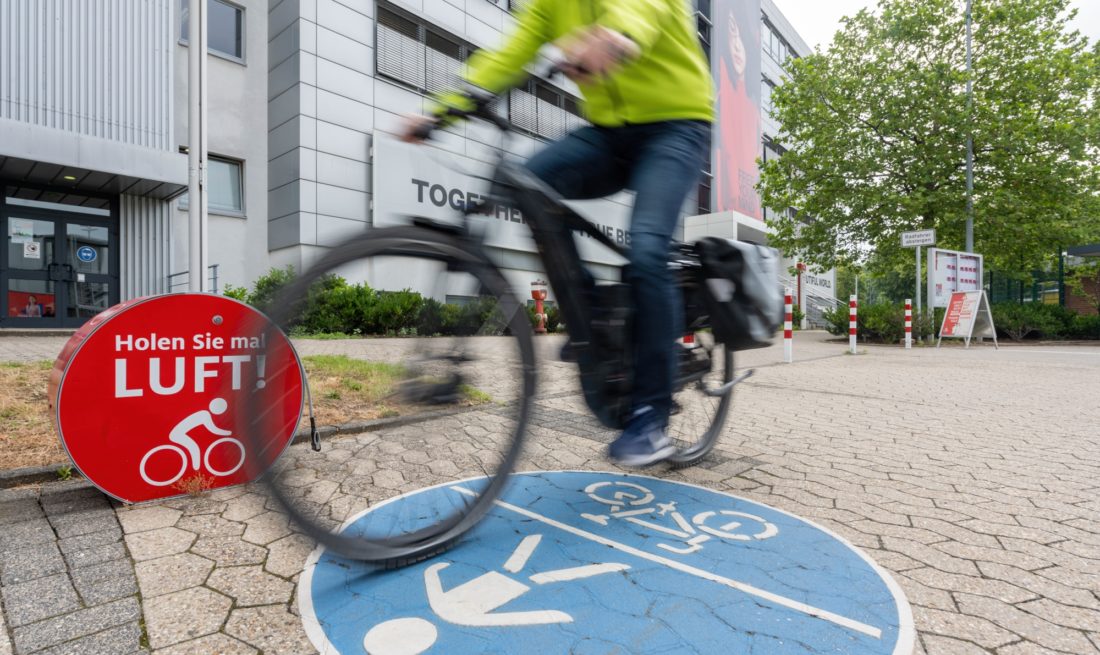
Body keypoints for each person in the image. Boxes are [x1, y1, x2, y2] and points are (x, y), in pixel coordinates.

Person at [402, 1, 714, 467]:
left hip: (677, 126)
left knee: (647, 249)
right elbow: (512, 51)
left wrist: (614, 36)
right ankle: (592, 316)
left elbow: (643, 10)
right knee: (527, 187)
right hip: (609, 133)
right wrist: (447, 108)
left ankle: (650, 417)